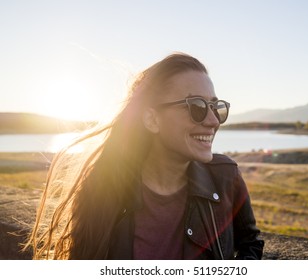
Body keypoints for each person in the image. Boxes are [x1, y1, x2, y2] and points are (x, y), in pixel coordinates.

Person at [25, 53, 264, 260]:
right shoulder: (104, 188)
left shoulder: (225, 176)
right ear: (152, 119)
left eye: (216, 107)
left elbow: (250, 242)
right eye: (197, 106)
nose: (213, 121)